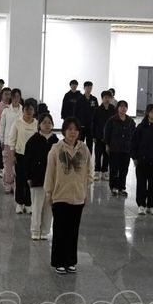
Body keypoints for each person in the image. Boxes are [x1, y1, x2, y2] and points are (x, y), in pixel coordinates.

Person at [44, 117, 93, 274]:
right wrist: (49, 192)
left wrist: (86, 192)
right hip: (60, 195)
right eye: (70, 129)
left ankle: (70, 261)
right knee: (60, 230)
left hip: (78, 196)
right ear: (64, 130)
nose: (73, 132)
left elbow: (89, 172)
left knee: (73, 230)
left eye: (76, 129)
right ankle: (59, 261)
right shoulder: (56, 149)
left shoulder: (84, 149)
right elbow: (50, 172)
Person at [24, 113, 57, 240]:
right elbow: (27, 160)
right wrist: (28, 176)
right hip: (37, 178)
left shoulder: (56, 141)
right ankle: (35, 230)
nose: (47, 125)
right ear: (39, 125)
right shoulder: (33, 140)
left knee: (49, 207)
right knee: (37, 206)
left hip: (52, 180)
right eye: (44, 122)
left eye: (49, 122)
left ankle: (45, 230)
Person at [130, 104, 153, 215]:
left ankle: (151, 205)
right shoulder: (141, 127)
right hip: (142, 160)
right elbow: (134, 143)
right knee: (141, 183)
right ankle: (141, 205)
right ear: (147, 113)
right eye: (152, 112)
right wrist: (135, 157)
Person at [7, 99, 39, 214]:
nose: (28, 112)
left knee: (31, 181)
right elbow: (12, 140)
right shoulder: (17, 123)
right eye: (26, 109)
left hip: (33, 157)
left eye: (31, 109)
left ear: (34, 111)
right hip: (20, 155)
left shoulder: (37, 124)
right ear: (23, 110)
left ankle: (29, 204)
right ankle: (19, 204)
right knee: (20, 180)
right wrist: (12, 155)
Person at [103, 100, 136, 197]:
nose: (123, 108)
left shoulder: (130, 121)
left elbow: (134, 135)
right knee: (114, 169)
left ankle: (122, 188)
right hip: (114, 148)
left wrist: (133, 147)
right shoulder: (112, 120)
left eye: (125, 106)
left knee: (124, 169)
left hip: (126, 149)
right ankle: (113, 187)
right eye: (121, 106)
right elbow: (107, 133)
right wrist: (107, 144)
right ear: (117, 108)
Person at [0, 88, 23, 194]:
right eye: (14, 97)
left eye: (18, 97)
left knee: (18, 165)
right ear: (11, 98)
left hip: (20, 142)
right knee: (8, 165)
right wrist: (1, 140)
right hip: (8, 142)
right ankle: (8, 184)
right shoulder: (6, 110)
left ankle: (15, 184)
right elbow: (2, 126)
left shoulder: (23, 111)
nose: (16, 99)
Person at [92, 90, 116, 181]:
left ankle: (105, 171)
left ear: (111, 98)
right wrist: (94, 136)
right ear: (102, 98)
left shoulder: (113, 109)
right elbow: (94, 123)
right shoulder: (97, 109)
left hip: (109, 137)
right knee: (98, 155)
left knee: (107, 155)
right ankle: (97, 171)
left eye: (109, 97)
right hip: (99, 136)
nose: (107, 99)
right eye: (105, 97)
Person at [75, 81, 98, 153]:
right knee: (79, 143)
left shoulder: (94, 99)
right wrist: (77, 124)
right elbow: (75, 112)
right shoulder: (79, 99)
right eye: (87, 88)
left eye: (90, 88)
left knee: (89, 144)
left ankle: (88, 157)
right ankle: (78, 156)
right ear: (84, 88)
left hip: (91, 126)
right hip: (81, 125)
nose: (89, 89)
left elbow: (97, 112)